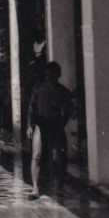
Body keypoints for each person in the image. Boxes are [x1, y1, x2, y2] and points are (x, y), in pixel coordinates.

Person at [29, 62, 74, 197]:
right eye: (48, 74)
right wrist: (29, 126)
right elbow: (31, 108)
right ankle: (35, 188)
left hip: (56, 125)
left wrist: (63, 123)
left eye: (53, 74)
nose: (50, 77)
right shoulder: (38, 88)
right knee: (36, 156)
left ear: (58, 75)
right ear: (45, 75)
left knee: (60, 157)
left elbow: (68, 110)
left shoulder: (63, 91)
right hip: (40, 124)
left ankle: (59, 187)